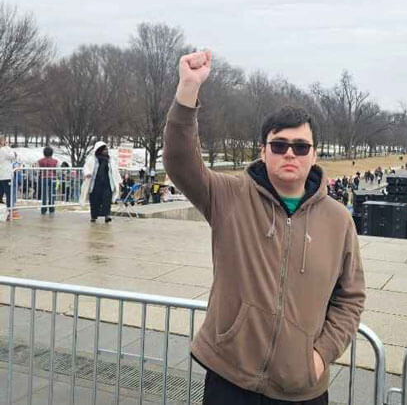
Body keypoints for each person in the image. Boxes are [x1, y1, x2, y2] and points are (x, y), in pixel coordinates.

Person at [163, 50, 365, 405]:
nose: (291, 153)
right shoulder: (230, 196)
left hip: (302, 388)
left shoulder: (338, 219)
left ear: (314, 154)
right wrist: (188, 90)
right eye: (280, 145)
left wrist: (320, 355)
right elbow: (179, 161)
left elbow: (350, 297)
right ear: (264, 151)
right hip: (230, 378)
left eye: (301, 146)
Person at [80, 142, 121, 223]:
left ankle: (107, 215)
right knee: (95, 200)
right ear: (99, 150)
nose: (106, 151)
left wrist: (119, 180)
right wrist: (87, 173)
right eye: (104, 149)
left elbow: (115, 171)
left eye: (107, 149)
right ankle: (94, 216)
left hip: (107, 183)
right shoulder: (92, 159)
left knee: (107, 200)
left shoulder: (110, 160)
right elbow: (86, 167)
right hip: (95, 183)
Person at [0, 136, 18, 219]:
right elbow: (13, 156)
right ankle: (9, 211)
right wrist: (12, 151)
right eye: (4, 141)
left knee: (1, 193)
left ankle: (4, 211)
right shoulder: (3, 150)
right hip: (6, 175)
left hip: (2, 175)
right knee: (9, 194)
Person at [38, 146, 59, 214]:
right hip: (53, 178)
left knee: (44, 194)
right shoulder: (55, 161)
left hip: (43, 178)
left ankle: (43, 209)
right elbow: (57, 170)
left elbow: (37, 169)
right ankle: (51, 208)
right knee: (52, 194)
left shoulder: (40, 161)